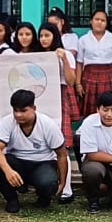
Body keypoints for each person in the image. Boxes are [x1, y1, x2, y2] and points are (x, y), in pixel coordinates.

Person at [0, 89, 70, 214]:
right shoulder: (7, 121)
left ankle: (44, 198)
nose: (18, 115)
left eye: (23, 110)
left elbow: (61, 154)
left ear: (34, 108)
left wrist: (62, 182)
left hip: (43, 163)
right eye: (15, 110)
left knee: (47, 183)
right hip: (17, 163)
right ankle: (12, 200)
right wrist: (8, 171)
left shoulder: (48, 124)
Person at [37, 23, 80, 177]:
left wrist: (64, 60)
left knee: (63, 142)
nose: (43, 39)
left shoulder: (65, 54)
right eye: (41, 36)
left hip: (60, 95)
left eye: (47, 35)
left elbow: (71, 81)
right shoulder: (36, 54)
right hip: (41, 97)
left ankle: (66, 187)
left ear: (55, 36)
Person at [77, 10, 112, 117]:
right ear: (91, 21)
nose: (99, 22)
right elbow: (79, 63)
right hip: (89, 76)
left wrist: (108, 70)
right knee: (91, 111)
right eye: (97, 19)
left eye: (103, 20)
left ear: (106, 23)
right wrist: (78, 84)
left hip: (110, 76)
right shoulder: (83, 40)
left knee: (111, 105)